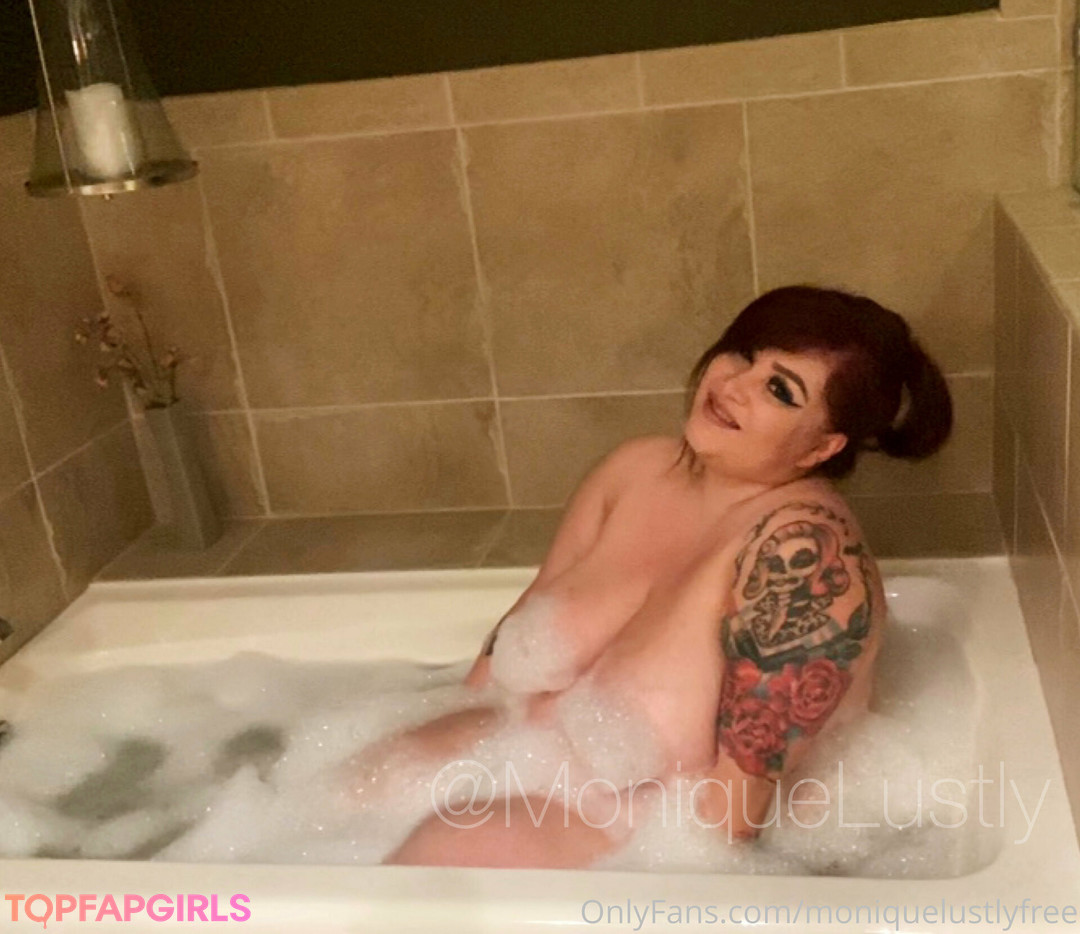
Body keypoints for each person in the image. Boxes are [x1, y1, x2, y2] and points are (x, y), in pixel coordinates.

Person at [362, 285, 953, 869]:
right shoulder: (636, 470)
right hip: (528, 761)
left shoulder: (801, 556)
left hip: (643, 835)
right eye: (743, 354)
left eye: (779, 389)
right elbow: (504, 660)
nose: (734, 386)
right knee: (369, 779)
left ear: (820, 447)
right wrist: (436, 742)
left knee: (445, 846)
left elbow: (730, 822)